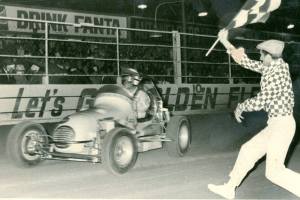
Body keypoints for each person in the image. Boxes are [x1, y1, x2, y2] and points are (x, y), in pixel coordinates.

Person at [207, 29, 300, 199]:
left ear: (269, 56)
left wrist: (241, 106)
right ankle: (229, 188)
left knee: (274, 172)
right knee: (248, 150)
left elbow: (262, 100)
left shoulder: (277, 73)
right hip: (276, 125)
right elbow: (246, 61)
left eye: (262, 55)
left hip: (282, 125)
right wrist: (225, 41)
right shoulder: (273, 66)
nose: (259, 58)